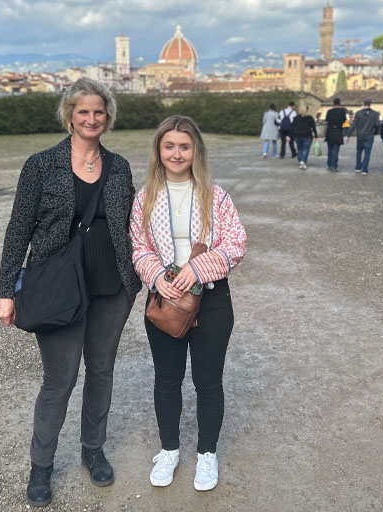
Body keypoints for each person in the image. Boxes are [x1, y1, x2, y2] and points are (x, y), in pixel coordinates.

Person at [0, 78, 141, 508]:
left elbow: (134, 223)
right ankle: (41, 466)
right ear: (69, 116)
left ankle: (92, 450)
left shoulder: (120, 167)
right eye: (83, 112)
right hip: (59, 287)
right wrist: (7, 291)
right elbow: (18, 229)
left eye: (99, 112)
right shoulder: (41, 165)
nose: (92, 119)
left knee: (101, 371)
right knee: (59, 381)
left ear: (108, 117)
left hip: (111, 286)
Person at [129, 115, 247, 492]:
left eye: (184, 146)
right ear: (158, 150)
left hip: (211, 300)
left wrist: (198, 268)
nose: (176, 153)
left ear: (195, 150)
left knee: (208, 382)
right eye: (169, 146)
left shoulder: (216, 196)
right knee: (167, 380)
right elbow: (139, 247)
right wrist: (158, 278)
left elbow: (235, 243)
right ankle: (169, 449)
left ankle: (207, 454)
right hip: (165, 300)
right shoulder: (145, 197)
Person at [346, 99, 380, 175]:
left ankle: (358, 167)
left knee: (359, 152)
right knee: (367, 153)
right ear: (370, 104)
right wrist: (375, 132)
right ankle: (364, 169)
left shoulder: (358, 113)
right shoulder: (375, 114)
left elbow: (354, 125)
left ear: (363, 104)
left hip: (360, 135)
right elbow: (377, 125)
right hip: (369, 135)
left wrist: (348, 135)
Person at [287, 105, 318, 170]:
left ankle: (301, 161)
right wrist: (316, 135)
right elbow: (313, 127)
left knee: (300, 149)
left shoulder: (296, 118)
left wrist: (289, 135)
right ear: (307, 110)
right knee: (305, 149)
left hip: (297, 135)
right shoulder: (310, 118)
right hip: (307, 135)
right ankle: (303, 161)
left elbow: (292, 127)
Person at [324, 98, 346, 172]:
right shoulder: (342, 112)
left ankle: (329, 165)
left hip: (330, 131)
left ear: (333, 104)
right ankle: (334, 166)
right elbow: (344, 120)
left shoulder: (329, 111)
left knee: (330, 150)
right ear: (339, 104)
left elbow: (326, 120)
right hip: (338, 131)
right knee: (336, 150)